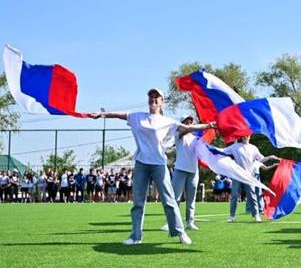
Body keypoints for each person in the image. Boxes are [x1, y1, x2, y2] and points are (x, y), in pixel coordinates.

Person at [89, 87, 215, 245]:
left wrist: (208, 126)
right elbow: (118, 114)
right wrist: (102, 114)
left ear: (162, 101)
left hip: (159, 165)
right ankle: (135, 236)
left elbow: (188, 128)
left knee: (169, 200)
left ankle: (180, 232)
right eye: (151, 97)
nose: (153, 99)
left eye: (157, 97)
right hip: (142, 163)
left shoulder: (167, 121)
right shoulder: (137, 117)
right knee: (138, 202)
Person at [222, 135, 278, 223]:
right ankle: (232, 216)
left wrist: (270, 157)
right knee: (234, 196)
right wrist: (209, 148)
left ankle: (256, 215)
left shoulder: (253, 148)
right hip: (237, 175)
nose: (245, 137)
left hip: (249, 176)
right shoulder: (235, 146)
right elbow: (223, 151)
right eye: (244, 135)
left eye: (247, 135)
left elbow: (261, 159)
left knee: (252, 195)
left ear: (250, 136)